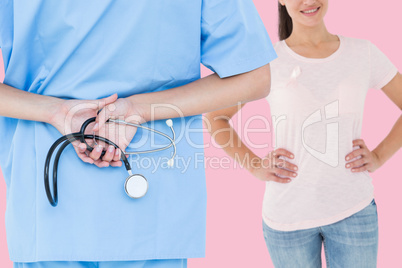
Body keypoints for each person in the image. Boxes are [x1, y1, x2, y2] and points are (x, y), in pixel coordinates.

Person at [0, 0, 278, 267]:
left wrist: (56, 111)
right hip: (150, 205)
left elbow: (255, 78)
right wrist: (138, 109)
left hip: (46, 202)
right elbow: (254, 77)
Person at [205, 0, 402, 267]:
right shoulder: (269, 62)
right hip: (287, 218)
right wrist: (255, 166)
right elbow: (216, 117)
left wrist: (379, 155)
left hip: (353, 210)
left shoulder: (363, 52)